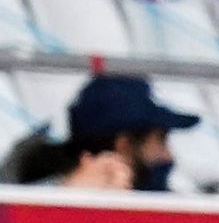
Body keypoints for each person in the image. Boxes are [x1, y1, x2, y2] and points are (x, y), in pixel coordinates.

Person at [2, 73, 194, 190]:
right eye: (161, 140)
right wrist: (66, 199)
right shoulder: (24, 199)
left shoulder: (173, 215)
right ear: (124, 145)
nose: (169, 156)